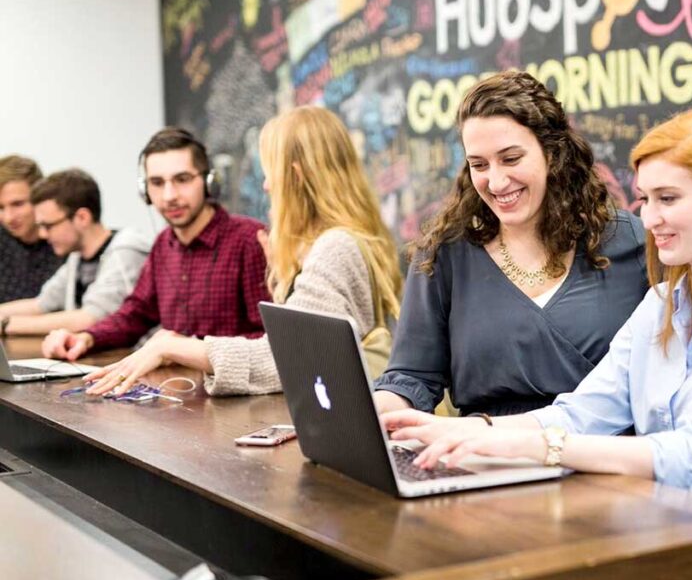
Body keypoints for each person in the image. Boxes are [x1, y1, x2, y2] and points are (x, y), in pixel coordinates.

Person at [382, 103, 692, 580]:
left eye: (668, 198)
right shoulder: (664, 305)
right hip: (676, 546)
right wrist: (473, 432)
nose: (649, 218)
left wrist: (539, 449)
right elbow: (582, 413)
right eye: (645, 199)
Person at [373, 70, 648, 416]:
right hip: (485, 457)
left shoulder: (629, 241)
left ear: (551, 154)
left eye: (511, 159)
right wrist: (368, 411)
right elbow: (411, 377)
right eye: (479, 165)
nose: (497, 181)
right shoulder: (444, 254)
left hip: (600, 458)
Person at [82, 106, 402, 397]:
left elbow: (288, 357)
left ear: (296, 175)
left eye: (270, 171)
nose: (265, 185)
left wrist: (175, 347)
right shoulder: (338, 243)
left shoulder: (333, 247)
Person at [42, 127, 269, 361]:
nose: (169, 195)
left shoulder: (249, 240)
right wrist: (87, 338)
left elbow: (268, 340)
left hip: (234, 392)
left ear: (209, 182)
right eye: (157, 183)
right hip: (176, 389)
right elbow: (135, 314)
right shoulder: (164, 244)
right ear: (145, 191)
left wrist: (189, 350)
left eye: (182, 180)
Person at [0, 169, 151, 336]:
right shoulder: (77, 256)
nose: (43, 234)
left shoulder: (125, 252)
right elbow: (42, 304)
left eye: (48, 226)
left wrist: (6, 324)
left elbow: (91, 318)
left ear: (82, 218)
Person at [0, 155, 63, 303]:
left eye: (18, 204)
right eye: (0, 208)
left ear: (39, 197)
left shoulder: (64, 241)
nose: (9, 218)